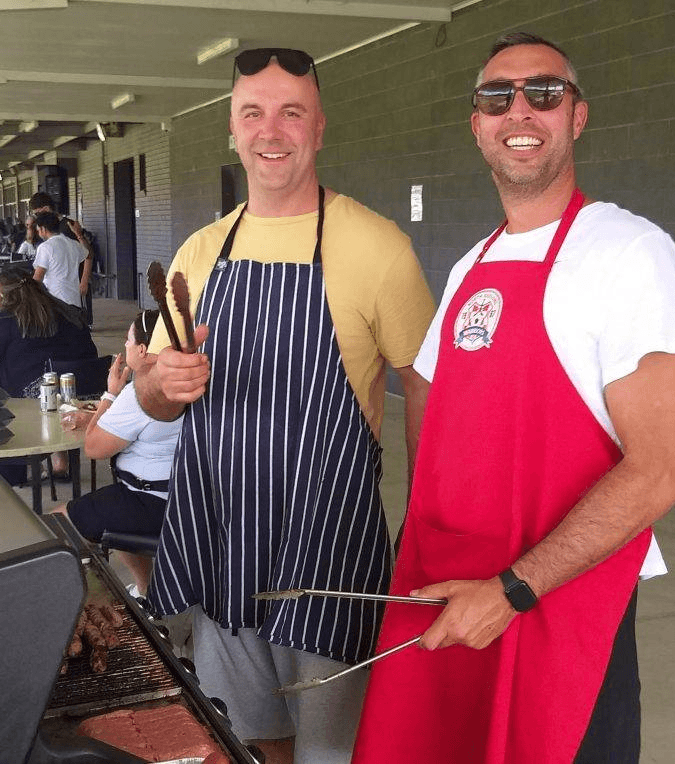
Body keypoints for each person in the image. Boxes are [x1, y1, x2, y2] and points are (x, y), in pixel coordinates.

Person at [352, 33, 675, 764]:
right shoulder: (469, 266)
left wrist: (514, 589)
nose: (519, 110)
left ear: (577, 115)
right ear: (477, 125)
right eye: (497, 97)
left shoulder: (630, 253)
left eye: (543, 92)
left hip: (558, 600)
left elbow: (658, 473)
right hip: (453, 593)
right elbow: (436, 418)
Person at [135, 48, 434, 764]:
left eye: (291, 113)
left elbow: (429, 392)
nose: (271, 131)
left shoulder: (378, 247)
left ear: (319, 128)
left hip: (329, 552)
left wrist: (426, 531)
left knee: (332, 750)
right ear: (233, 131)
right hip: (224, 547)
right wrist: (161, 385)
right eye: (253, 113)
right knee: (247, 742)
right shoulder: (199, 253)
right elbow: (153, 399)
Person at [62, 310, 182, 597]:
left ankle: (85, 604)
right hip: (184, 495)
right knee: (111, 501)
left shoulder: (141, 392)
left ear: (142, 349)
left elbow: (93, 448)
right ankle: (146, 590)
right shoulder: (183, 378)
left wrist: (111, 394)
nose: (124, 345)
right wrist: (100, 415)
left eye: (128, 340)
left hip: (151, 501)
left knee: (58, 522)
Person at [0, 266, 97, 399]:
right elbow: (91, 353)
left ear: (4, 296)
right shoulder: (69, 312)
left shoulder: (5, 319)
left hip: (34, 399)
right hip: (86, 389)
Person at [32, 211, 91, 307]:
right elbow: (89, 255)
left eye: (38, 230)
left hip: (55, 302)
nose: (38, 233)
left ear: (43, 229)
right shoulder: (73, 244)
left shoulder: (45, 247)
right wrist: (84, 281)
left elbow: (38, 277)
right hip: (74, 301)